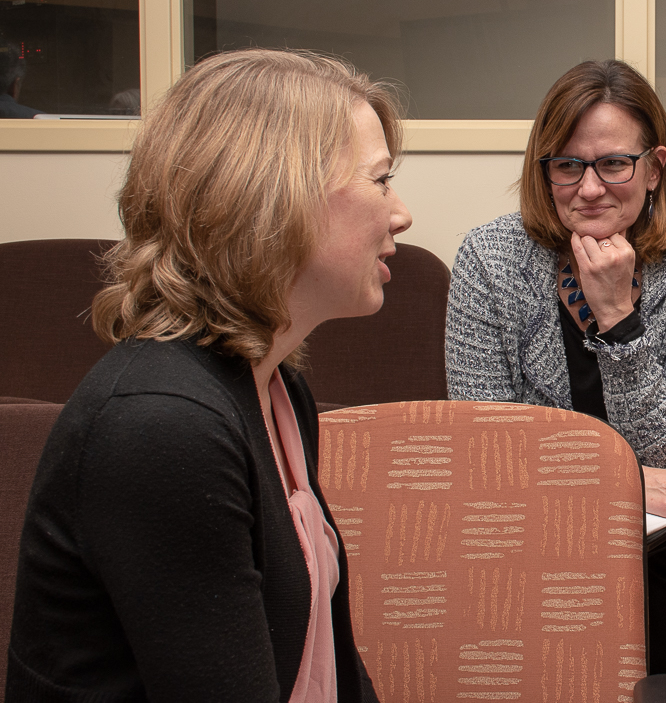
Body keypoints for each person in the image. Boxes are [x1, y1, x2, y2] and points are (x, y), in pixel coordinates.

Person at [6, 49, 412, 702]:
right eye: (381, 180)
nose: (401, 214)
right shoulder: (160, 424)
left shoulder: (278, 387)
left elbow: (335, 663)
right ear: (279, 197)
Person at [445, 58, 666, 673]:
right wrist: (627, 485)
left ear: (655, 167)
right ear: (544, 169)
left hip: (662, 550)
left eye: (613, 163)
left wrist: (618, 321)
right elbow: (485, 448)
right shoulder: (489, 259)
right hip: (524, 534)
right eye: (567, 165)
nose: (588, 188)